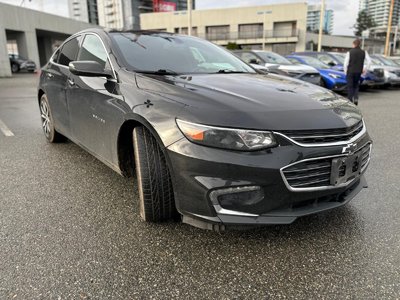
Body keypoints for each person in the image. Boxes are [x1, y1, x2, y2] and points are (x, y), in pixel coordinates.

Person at [343, 39, 371, 105]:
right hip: (358, 72)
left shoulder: (349, 52)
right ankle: (355, 98)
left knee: (350, 86)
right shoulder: (364, 52)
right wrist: (365, 69)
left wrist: (345, 71)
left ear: (353, 44)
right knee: (356, 86)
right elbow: (369, 61)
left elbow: (345, 63)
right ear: (359, 44)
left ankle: (350, 100)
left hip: (350, 71)